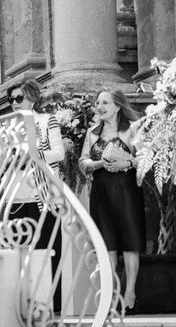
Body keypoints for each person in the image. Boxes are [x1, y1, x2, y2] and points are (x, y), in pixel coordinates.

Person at [78, 88, 144, 313]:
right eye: (98, 102)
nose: (100, 106)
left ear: (117, 105)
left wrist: (126, 163)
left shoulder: (132, 129)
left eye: (105, 102)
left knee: (129, 241)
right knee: (107, 244)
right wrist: (99, 164)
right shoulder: (92, 133)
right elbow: (83, 161)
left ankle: (130, 291)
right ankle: (110, 293)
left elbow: (144, 158)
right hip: (101, 191)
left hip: (126, 191)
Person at [7, 79, 65, 310]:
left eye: (18, 98)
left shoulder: (46, 120)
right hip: (17, 195)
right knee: (18, 251)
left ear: (31, 97)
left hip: (44, 196)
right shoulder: (7, 127)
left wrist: (33, 155)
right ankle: (23, 304)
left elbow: (59, 153)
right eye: (11, 99)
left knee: (48, 249)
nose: (14, 103)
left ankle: (53, 304)